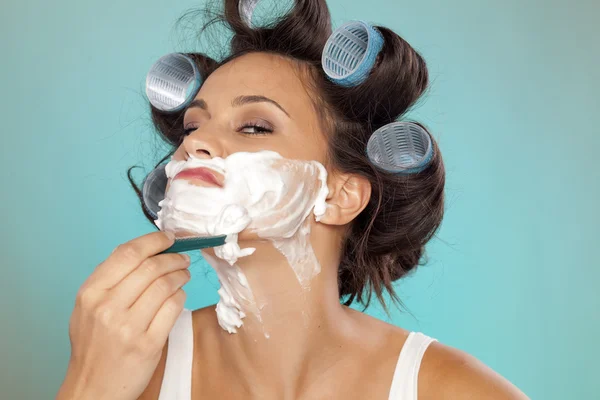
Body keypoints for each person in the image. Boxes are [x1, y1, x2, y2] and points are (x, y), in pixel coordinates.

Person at [56, 0, 529, 398]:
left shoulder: (452, 391)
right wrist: (88, 384)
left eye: (254, 126)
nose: (191, 146)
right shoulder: (133, 365)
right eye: (193, 126)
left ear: (340, 196)